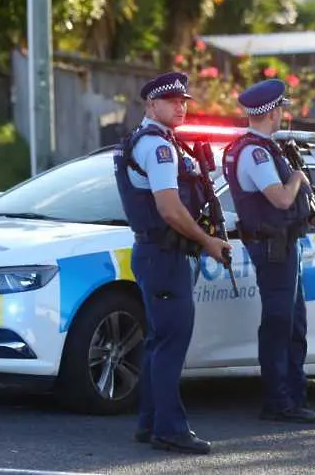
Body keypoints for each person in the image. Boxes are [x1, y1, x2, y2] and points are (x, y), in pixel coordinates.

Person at [113, 71, 232, 454]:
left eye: (184, 101)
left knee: (159, 342)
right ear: (151, 105)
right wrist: (208, 241)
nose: (181, 106)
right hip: (165, 254)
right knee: (170, 343)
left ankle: (150, 424)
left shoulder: (160, 142)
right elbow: (168, 208)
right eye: (172, 101)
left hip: (159, 254)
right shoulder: (158, 148)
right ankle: (170, 429)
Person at [222, 78, 315, 423]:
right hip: (273, 249)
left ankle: (293, 394)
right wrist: (299, 178)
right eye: (281, 109)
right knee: (278, 324)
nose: (283, 115)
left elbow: (292, 208)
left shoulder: (269, 149)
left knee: (293, 323)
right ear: (271, 112)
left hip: (285, 245)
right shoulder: (256, 154)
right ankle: (278, 400)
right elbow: (281, 198)